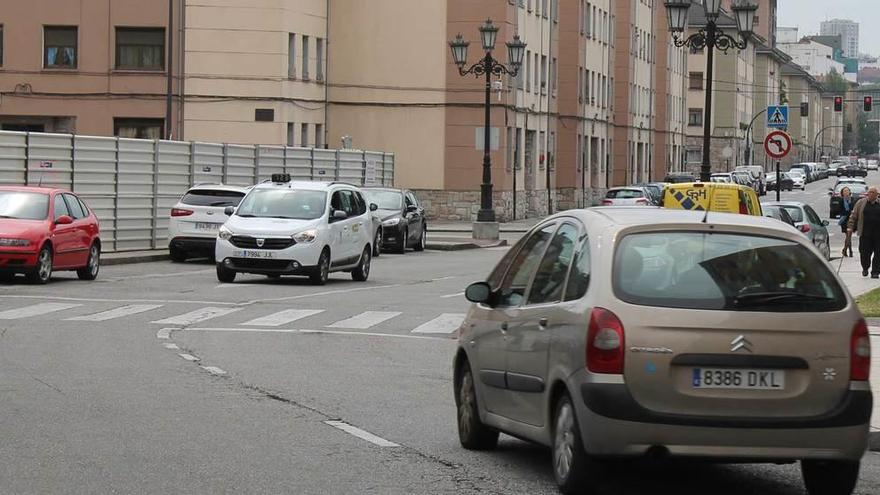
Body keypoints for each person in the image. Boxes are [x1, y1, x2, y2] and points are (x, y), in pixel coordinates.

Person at [847, 186, 880, 278]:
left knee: (878, 253)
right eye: (870, 192)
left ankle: (875, 271)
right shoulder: (861, 203)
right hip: (865, 233)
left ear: (877, 195)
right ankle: (865, 267)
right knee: (865, 253)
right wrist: (850, 226)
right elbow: (853, 216)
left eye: (873, 193)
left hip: (878, 234)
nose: (871, 194)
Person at [838, 186, 855, 257]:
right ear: (842, 193)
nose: (846, 192)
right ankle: (849, 250)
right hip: (844, 220)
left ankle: (846, 250)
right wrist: (849, 212)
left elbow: (854, 209)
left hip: (851, 220)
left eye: (847, 191)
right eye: (844, 191)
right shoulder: (841, 201)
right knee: (848, 236)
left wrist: (851, 213)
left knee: (849, 235)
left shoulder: (852, 200)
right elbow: (841, 211)